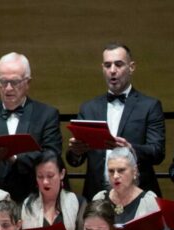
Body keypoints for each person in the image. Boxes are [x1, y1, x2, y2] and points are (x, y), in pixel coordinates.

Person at [67, 43, 165, 199]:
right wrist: (76, 152)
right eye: (107, 65)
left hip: (137, 195)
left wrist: (131, 148)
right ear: (102, 68)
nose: (112, 70)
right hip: (97, 195)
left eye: (118, 64)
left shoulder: (150, 106)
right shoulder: (88, 108)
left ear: (131, 67)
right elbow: (74, 161)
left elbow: (157, 152)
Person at [0, 52, 62, 202]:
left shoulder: (47, 114)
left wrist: (16, 159)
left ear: (27, 83)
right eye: (3, 82)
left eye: (15, 82)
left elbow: (52, 155)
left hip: (34, 199)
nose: (8, 88)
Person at [21, 149, 86, 230]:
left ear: (62, 174)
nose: (45, 182)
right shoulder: (28, 204)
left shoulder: (78, 202)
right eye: (40, 177)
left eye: (50, 176)